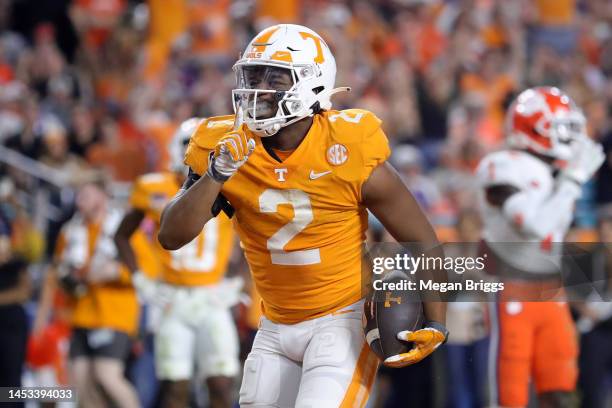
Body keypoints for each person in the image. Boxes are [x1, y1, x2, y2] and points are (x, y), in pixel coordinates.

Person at [158, 24, 448, 407]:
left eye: (273, 78)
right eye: (253, 76)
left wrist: (438, 323)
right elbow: (171, 235)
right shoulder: (225, 145)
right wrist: (217, 173)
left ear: (310, 85)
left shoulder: (347, 147)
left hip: (341, 320)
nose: (256, 89)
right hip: (274, 326)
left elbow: (424, 242)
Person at [475, 86, 605, 407]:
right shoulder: (503, 166)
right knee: (510, 394)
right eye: (562, 129)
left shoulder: (553, 172)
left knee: (561, 390)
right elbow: (536, 225)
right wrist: (573, 180)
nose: (572, 138)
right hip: (510, 289)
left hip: (552, 291)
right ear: (534, 127)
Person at [114, 118, 239, 408]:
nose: (197, 153)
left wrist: (240, 280)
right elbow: (122, 235)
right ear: (175, 149)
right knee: (174, 386)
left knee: (221, 383)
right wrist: (140, 280)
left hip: (213, 297)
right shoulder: (154, 186)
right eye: (190, 145)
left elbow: (258, 232)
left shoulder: (231, 183)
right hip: (172, 298)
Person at [35, 180, 140, 408]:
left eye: (87, 194)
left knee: (107, 376)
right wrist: (68, 279)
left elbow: (147, 270)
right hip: (80, 314)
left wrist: (117, 272)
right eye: (79, 194)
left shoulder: (124, 228)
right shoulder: (70, 231)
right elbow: (57, 271)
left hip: (114, 314)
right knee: (80, 383)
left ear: (103, 196)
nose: (80, 200)